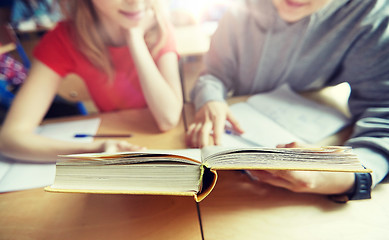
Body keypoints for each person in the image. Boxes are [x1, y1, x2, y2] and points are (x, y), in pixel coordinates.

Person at [186, 0, 389, 201]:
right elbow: (213, 72)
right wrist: (210, 98)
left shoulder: (373, 16)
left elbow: (383, 113)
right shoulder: (238, 8)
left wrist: (347, 177)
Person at [0, 0, 183, 162]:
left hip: (165, 148)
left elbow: (168, 118)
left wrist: (134, 36)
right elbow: (10, 137)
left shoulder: (160, 28)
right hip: (118, 152)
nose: (136, 2)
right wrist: (94, 149)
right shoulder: (64, 39)